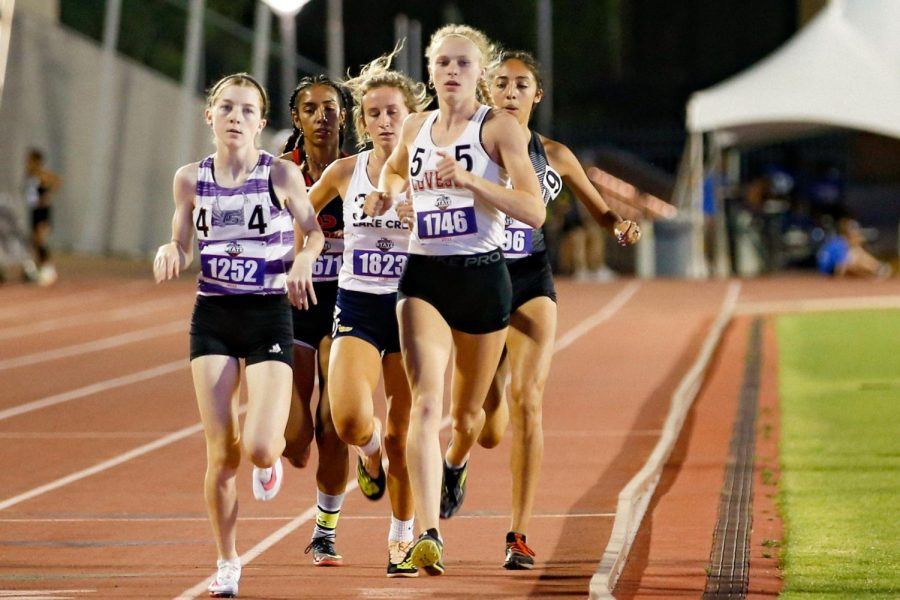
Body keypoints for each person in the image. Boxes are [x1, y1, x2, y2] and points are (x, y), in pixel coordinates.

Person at [365, 24, 545, 576]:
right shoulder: (416, 126)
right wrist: (389, 197)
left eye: (463, 64)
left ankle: (455, 465)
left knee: (468, 419)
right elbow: (395, 171)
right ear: (430, 69)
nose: (451, 72)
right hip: (424, 278)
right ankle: (428, 532)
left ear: (481, 74)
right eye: (442, 63)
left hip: (483, 277)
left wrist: (470, 181)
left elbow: (534, 210)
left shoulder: (500, 131)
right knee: (423, 404)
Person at [152, 72, 323, 598]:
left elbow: (314, 233)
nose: (235, 118)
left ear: (260, 122)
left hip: (269, 314)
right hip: (214, 318)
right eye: (226, 108)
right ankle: (228, 561)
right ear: (209, 115)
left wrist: (302, 260)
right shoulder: (189, 179)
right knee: (221, 454)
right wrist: (172, 251)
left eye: (247, 111)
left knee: (262, 448)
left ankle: (268, 465)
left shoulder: (279, 177)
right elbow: (181, 240)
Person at [474, 50, 641, 570]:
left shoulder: (556, 155)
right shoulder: (468, 148)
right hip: (477, 280)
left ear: (537, 95)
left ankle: (518, 534)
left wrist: (618, 223)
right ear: (487, 92)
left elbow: (598, 204)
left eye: (521, 85)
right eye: (500, 83)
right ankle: (487, 392)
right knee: (486, 426)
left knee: (529, 400)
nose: (510, 92)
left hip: (529, 280)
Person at [306, 44, 431, 577]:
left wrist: (420, 215)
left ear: (411, 118)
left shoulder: (433, 172)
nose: (384, 122)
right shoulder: (344, 171)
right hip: (357, 301)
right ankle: (369, 453)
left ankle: (401, 536)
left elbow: (471, 231)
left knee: (407, 434)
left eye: (393, 113)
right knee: (351, 420)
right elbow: (298, 215)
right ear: (362, 120)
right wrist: (298, 252)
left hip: (414, 307)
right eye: (375, 113)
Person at [279, 74, 353, 567]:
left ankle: (324, 531)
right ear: (296, 118)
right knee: (296, 442)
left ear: (344, 116)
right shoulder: (279, 171)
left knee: (334, 424)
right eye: (311, 109)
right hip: (293, 304)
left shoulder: (363, 169)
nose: (322, 117)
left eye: (330, 108)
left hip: (347, 301)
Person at [22, 149, 61, 285]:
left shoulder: (42, 175)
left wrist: (47, 196)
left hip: (43, 211)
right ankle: (41, 268)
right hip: (34, 211)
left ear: (37, 161)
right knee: (35, 241)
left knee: (39, 240)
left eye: (31, 160)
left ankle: (49, 269)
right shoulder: (29, 174)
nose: (28, 163)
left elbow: (56, 181)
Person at [816, 217, 890, 278]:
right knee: (857, 253)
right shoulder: (840, 243)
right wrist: (864, 275)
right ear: (848, 234)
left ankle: (877, 269)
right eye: (854, 234)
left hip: (828, 269)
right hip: (829, 271)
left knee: (856, 254)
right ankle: (877, 269)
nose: (857, 236)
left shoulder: (837, 240)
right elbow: (841, 269)